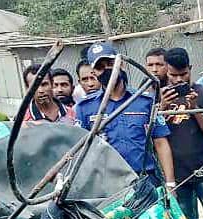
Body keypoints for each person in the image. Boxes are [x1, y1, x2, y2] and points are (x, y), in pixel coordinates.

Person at [75, 41, 174, 188]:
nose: (107, 70)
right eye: (100, 67)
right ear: (94, 72)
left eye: (110, 63)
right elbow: (81, 151)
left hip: (145, 179)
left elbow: (160, 142)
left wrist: (170, 183)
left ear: (120, 64)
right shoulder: (85, 107)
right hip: (108, 184)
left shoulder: (145, 100)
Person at [159, 47, 203, 219]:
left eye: (183, 74)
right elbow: (153, 137)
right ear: (166, 70)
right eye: (174, 75)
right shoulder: (158, 97)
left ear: (190, 68)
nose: (179, 80)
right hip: (177, 174)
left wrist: (195, 108)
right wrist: (162, 108)